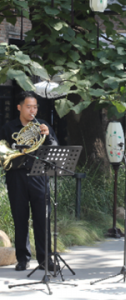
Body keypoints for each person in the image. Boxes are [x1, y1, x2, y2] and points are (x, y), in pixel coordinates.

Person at [0, 91, 58, 271]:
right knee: (20, 218)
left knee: (42, 218)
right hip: (16, 176)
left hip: (39, 175)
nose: (32, 110)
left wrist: (48, 135)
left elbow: (55, 148)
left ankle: (45, 259)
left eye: (35, 107)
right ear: (19, 107)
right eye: (28, 106)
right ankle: (23, 259)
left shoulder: (42, 125)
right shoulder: (9, 128)